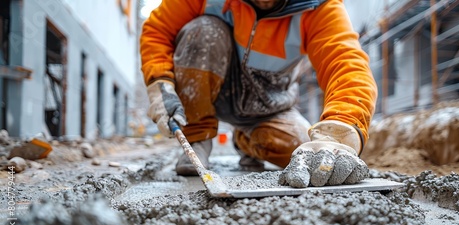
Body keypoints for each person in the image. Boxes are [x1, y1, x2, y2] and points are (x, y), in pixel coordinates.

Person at [140, 0, 377, 188]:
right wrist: (160, 83)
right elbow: (158, 31)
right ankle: (196, 138)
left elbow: (345, 63)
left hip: (269, 105)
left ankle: (246, 139)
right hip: (211, 89)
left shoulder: (318, 6)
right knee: (204, 31)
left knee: (306, 155)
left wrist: (340, 128)